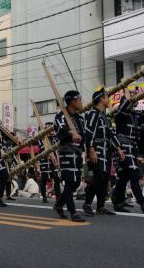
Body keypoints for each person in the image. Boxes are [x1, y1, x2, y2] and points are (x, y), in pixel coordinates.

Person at [112, 88, 144, 213]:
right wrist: (126, 91)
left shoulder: (135, 114)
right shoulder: (120, 113)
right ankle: (142, 202)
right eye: (134, 96)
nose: (137, 98)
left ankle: (117, 201)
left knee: (125, 176)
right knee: (133, 173)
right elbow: (124, 105)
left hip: (133, 147)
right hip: (124, 146)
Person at [83, 88, 124, 216]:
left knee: (105, 179)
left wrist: (119, 149)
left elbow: (111, 134)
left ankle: (100, 207)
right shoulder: (92, 114)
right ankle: (87, 203)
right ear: (101, 98)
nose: (109, 98)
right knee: (98, 178)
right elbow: (88, 132)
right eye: (107, 96)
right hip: (96, 149)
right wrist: (91, 150)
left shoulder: (105, 116)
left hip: (106, 151)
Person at [53, 90, 86, 222]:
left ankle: (59, 205)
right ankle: (73, 212)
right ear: (73, 101)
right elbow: (59, 128)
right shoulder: (61, 115)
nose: (81, 103)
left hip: (78, 152)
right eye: (79, 100)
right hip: (66, 151)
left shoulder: (80, 118)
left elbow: (84, 135)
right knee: (69, 181)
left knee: (77, 181)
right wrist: (71, 132)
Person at [36, 122, 61, 203]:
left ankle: (58, 197)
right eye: (50, 129)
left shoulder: (56, 138)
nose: (52, 131)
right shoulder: (42, 139)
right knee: (44, 179)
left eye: (53, 129)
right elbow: (42, 150)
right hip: (45, 161)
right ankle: (44, 196)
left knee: (57, 179)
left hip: (54, 162)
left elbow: (58, 149)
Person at [3, 132, 19, 201]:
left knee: (9, 180)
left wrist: (14, 165)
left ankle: (8, 195)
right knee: (2, 180)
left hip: (10, 164)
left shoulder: (11, 146)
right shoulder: (3, 146)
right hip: (4, 164)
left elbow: (13, 156)